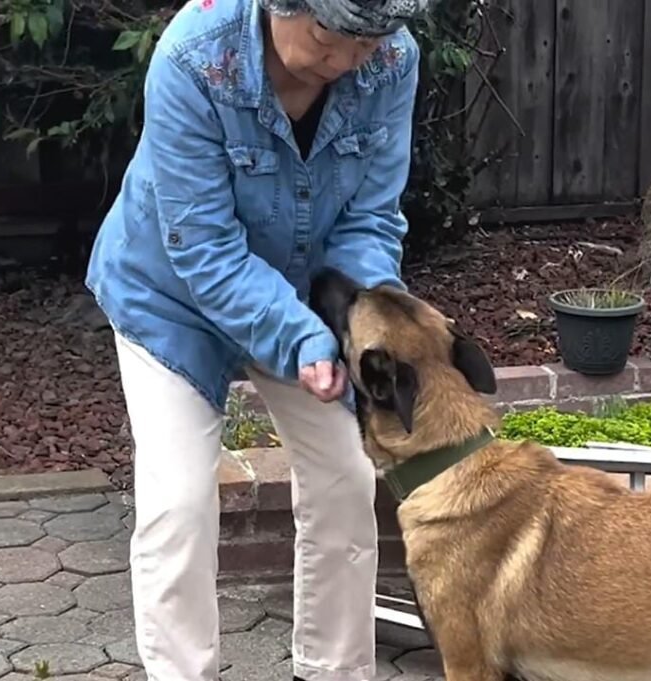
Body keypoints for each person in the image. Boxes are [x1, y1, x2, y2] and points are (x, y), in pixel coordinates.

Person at [84, 0, 428, 679]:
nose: (350, 61)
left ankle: (332, 670)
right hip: (170, 295)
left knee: (347, 477)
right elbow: (205, 249)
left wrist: (362, 329)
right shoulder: (194, 56)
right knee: (178, 502)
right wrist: (300, 338)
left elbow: (371, 219)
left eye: (369, 43)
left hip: (307, 291)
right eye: (332, 38)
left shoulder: (392, 57)